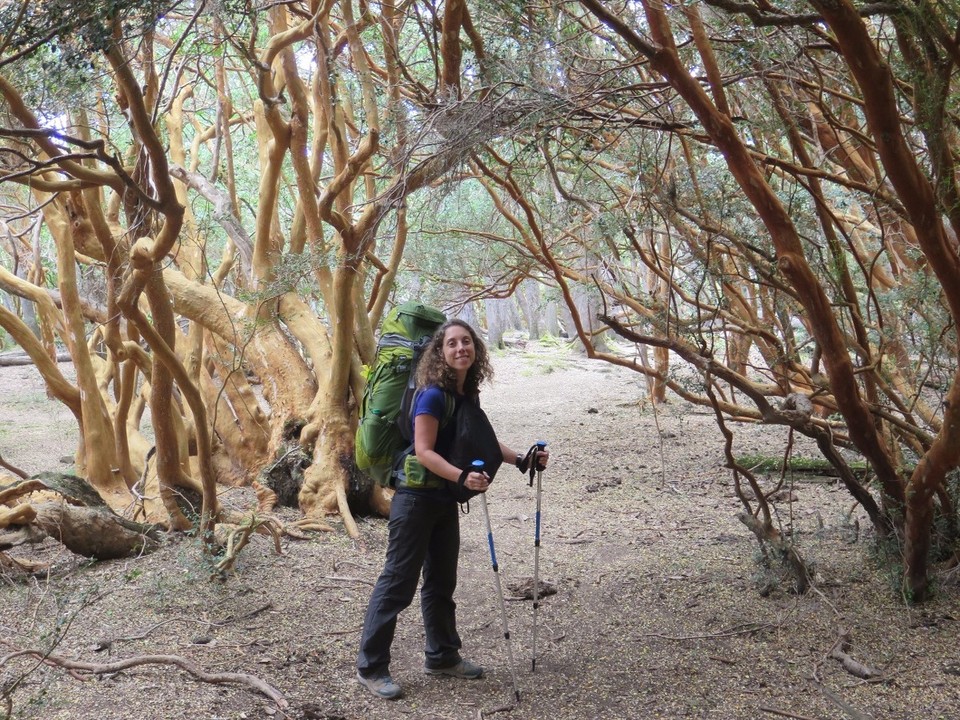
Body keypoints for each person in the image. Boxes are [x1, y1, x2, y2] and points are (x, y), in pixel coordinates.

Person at [356, 318, 549, 700]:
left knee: (442, 583)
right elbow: (424, 451)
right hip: (414, 499)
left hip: (443, 499)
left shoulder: (466, 393)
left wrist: (521, 460)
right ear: (439, 353)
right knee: (398, 584)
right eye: (452, 344)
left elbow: (483, 442)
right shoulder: (431, 395)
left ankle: (442, 656)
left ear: (475, 349)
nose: (460, 348)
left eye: (466, 342)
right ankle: (371, 666)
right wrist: (462, 477)